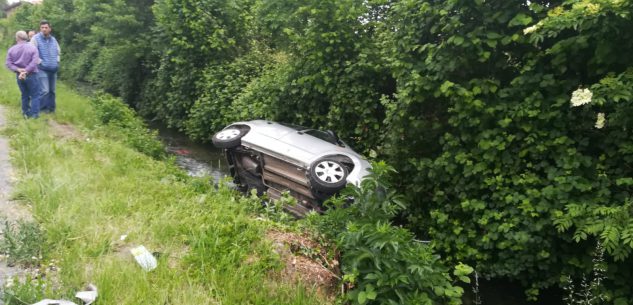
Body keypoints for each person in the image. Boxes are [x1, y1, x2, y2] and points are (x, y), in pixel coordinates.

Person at [5, 31, 41, 119]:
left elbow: (8, 63)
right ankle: (34, 115)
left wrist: (18, 70)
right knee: (35, 95)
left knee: (24, 94)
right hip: (32, 74)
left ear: (17, 38)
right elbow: (34, 62)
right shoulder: (33, 48)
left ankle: (25, 113)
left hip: (19, 75)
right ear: (27, 38)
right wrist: (26, 71)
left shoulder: (12, 49)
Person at [31, 20, 60, 113]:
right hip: (42, 69)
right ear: (40, 28)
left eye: (46, 27)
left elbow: (58, 51)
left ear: (50, 29)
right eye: (42, 28)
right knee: (45, 91)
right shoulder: (35, 38)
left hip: (53, 68)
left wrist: (57, 61)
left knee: (52, 91)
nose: (44, 29)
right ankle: (42, 109)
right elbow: (32, 52)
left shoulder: (53, 39)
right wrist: (40, 62)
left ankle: (51, 109)